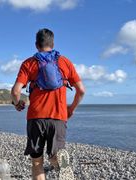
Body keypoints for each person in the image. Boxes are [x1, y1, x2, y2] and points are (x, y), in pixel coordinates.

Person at [11, 28, 85, 180]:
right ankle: (60, 162)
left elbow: (16, 91)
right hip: (58, 116)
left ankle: (58, 161)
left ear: (36, 45)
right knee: (55, 154)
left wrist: (17, 103)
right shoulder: (65, 62)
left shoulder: (29, 63)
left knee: (37, 162)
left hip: (36, 118)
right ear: (53, 43)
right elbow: (81, 91)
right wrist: (70, 109)